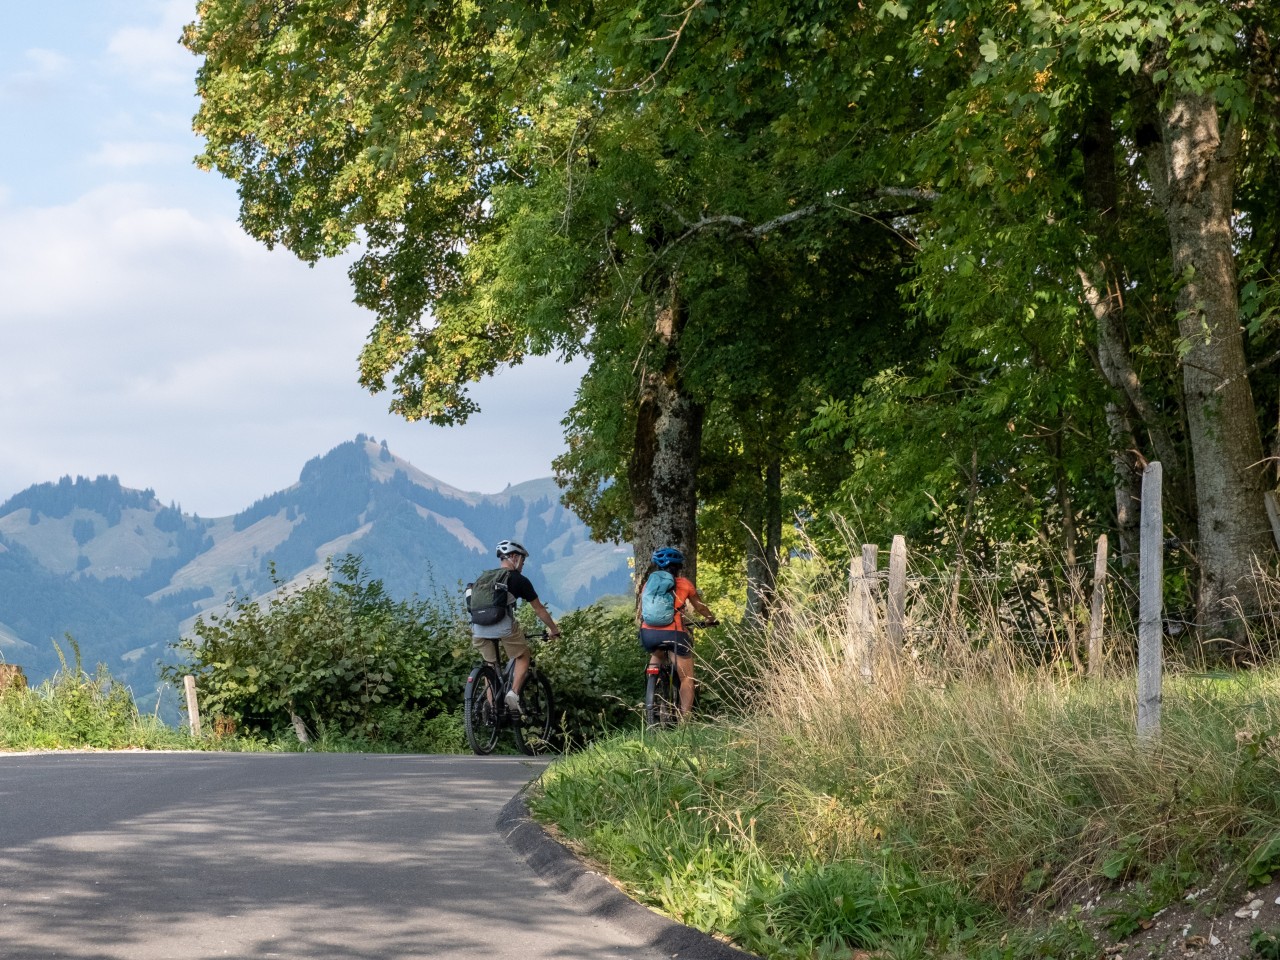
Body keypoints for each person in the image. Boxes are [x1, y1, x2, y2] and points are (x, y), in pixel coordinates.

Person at [470, 539, 560, 714]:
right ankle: (514, 693)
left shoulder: (484, 578)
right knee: (523, 655)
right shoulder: (518, 580)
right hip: (503, 627)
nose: (523, 565)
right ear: (513, 557)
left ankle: (493, 709)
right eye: (522, 560)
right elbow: (539, 609)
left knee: (490, 665)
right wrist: (554, 630)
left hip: (478, 629)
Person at [637, 546, 716, 717]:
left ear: (658, 567)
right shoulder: (684, 584)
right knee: (686, 678)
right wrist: (711, 619)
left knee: (657, 653)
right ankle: (684, 722)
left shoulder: (647, 586)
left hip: (648, 634)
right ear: (679, 567)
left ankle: (654, 686)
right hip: (674, 634)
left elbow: (642, 611)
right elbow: (700, 607)